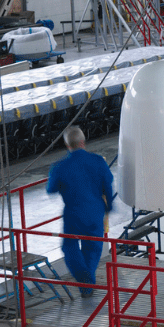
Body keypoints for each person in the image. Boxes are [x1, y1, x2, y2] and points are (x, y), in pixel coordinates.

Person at [46, 126, 115, 297]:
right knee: (92, 247)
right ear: (83, 142)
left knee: (69, 247)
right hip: (95, 212)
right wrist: (109, 207)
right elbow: (108, 184)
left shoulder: (60, 166)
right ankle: (87, 283)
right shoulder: (98, 161)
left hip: (73, 214)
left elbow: (51, 189)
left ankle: (85, 280)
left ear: (67, 145)